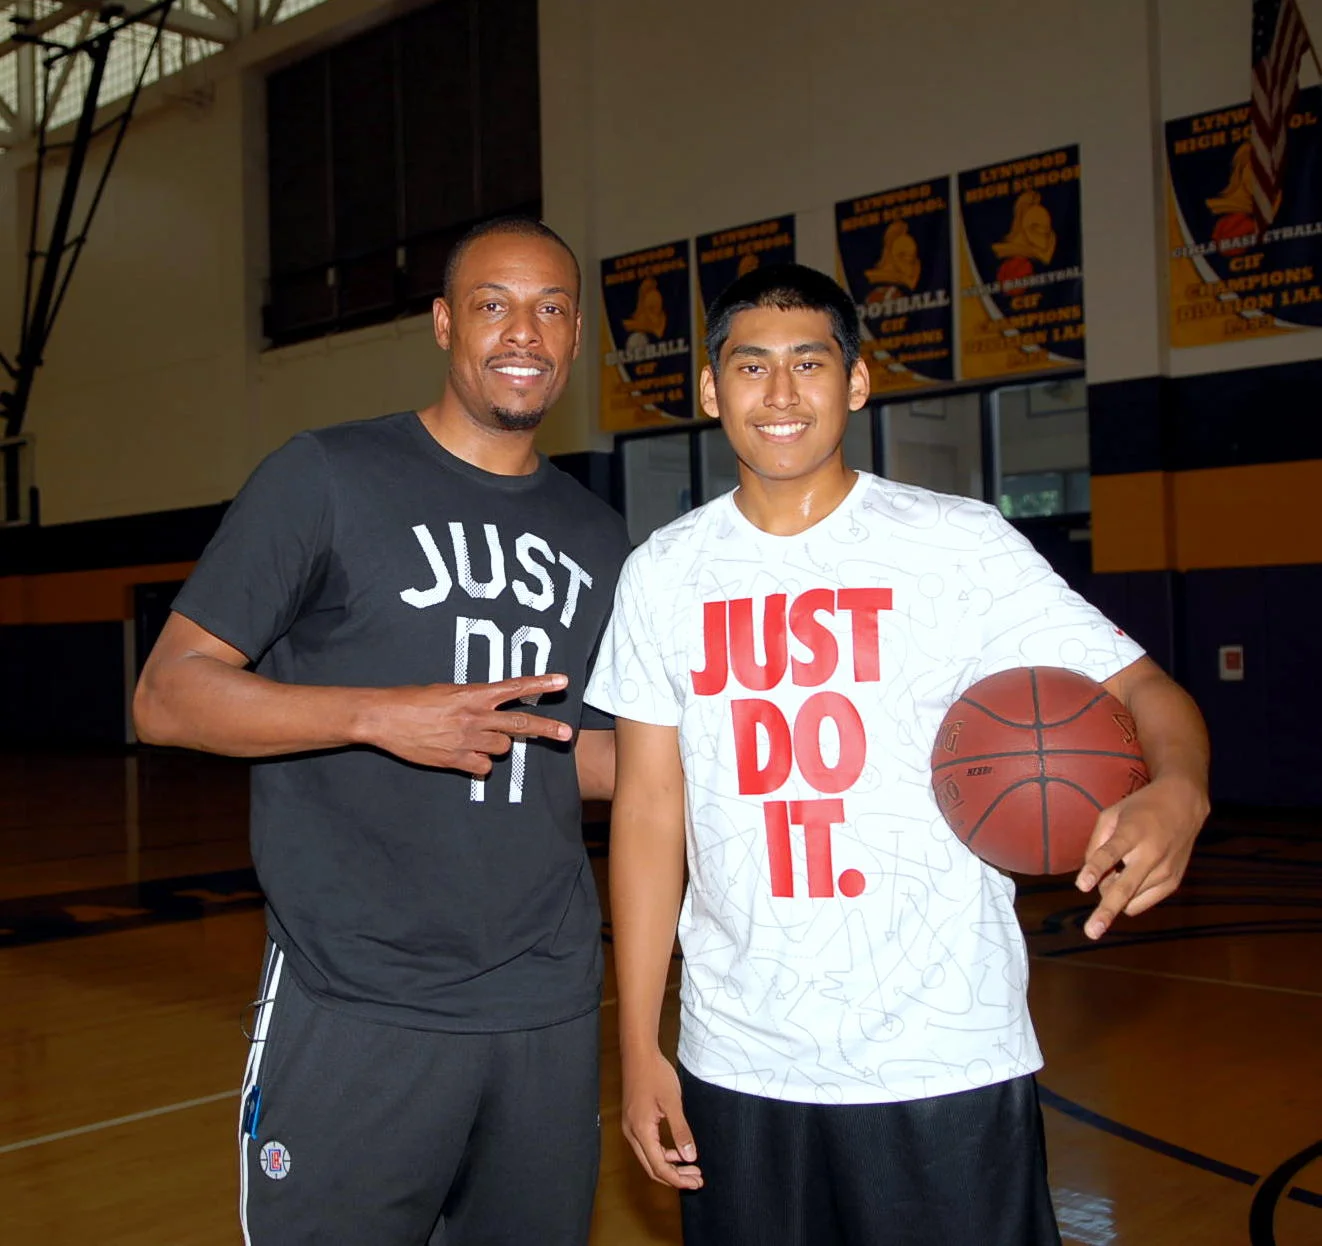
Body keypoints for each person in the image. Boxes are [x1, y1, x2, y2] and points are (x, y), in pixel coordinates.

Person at [585, 262, 1209, 1246]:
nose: (780, 393)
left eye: (809, 364)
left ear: (856, 382)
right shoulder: (662, 574)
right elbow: (651, 810)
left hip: (942, 1051)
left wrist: (1179, 785)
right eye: (750, 366)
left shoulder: (957, 544)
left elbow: (1145, 690)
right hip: (738, 1057)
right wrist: (636, 1047)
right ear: (709, 389)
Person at [133, 216, 631, 1246]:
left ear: (577, 336)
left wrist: (729, 761)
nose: (524, 332)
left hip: (543, 1002)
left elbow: (573, 753)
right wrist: (376, 715)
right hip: (358, 996)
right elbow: (168, 696)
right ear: (445, 323)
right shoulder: (324, 475)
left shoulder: (596, 534)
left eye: (550, 309)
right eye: (493, 305)